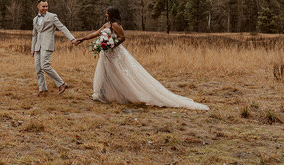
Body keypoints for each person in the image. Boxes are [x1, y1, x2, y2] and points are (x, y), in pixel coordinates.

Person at [74, 7, 209, 110]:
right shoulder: (106, 25)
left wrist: (111, 45)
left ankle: (124, 94)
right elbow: (96, 33)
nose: (105, 14)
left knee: (119, 74)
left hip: (114, 53)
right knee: (105, 73)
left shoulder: (115, 25)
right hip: (106, 54)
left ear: (111, 14)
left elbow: (122, 38)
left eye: (107, 12)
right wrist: (82, 39)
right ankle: (102, 94)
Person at [31, 0, 77, 96]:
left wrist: (72, 39)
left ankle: (61, 84)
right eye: (43, 6)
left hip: (47, 45)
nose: (45, 8)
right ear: (38, 7)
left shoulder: (52, 17)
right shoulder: (35, 19)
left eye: (46, 6)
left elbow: (62, 27)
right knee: (38, 69)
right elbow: (34, 35)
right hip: (37, 46)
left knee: (45, 66)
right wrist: (32, 49)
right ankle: (43, 90)